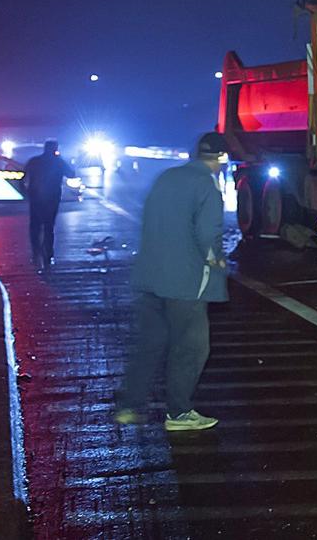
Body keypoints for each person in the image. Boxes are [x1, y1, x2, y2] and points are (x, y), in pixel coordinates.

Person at [115, 132, 229, 430]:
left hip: (150, 276)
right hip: (185, 282)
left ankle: (128, 405)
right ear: (221, 158)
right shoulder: (207, 183)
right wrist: (215, 257)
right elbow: (207, 232)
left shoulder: (166, 177)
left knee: (151, 342)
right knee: (191, 346)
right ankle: (179, 413)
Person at [21, 140, 75, 272]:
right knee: (49, 226)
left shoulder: (34, 161)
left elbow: (23, 179)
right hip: (52, 197)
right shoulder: (58, 162)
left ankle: (36, 252)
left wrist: (26, 193)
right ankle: (48, 253)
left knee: (35, 226)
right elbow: (71, 174)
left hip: (36, 197)